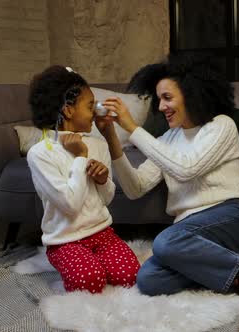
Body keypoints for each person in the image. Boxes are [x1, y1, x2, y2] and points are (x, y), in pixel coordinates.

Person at [95, 54, 239, 295]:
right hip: (190, 232)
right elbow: (135, 188)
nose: (161, 107)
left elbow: (186, 169)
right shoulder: (167, 139)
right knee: (149, 280)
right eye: (159, 99)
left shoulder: (221, 126)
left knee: (164, 243)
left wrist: (133, 128)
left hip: (227, 217)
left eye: (167, 98)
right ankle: (234, 271)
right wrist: (112, 137)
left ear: (191, 94)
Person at [26, 65, 140, 293]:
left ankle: (91, 260)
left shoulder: (97, 145)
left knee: (131, 275)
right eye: (90, 105)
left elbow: (106, 199)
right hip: (65, 240)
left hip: (102, 233)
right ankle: (67, 261)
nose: (95, 112)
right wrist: (80, 157)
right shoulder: (40, 154)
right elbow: (70, 205)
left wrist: (103, 180)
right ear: (68, 111)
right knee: (89, 280)